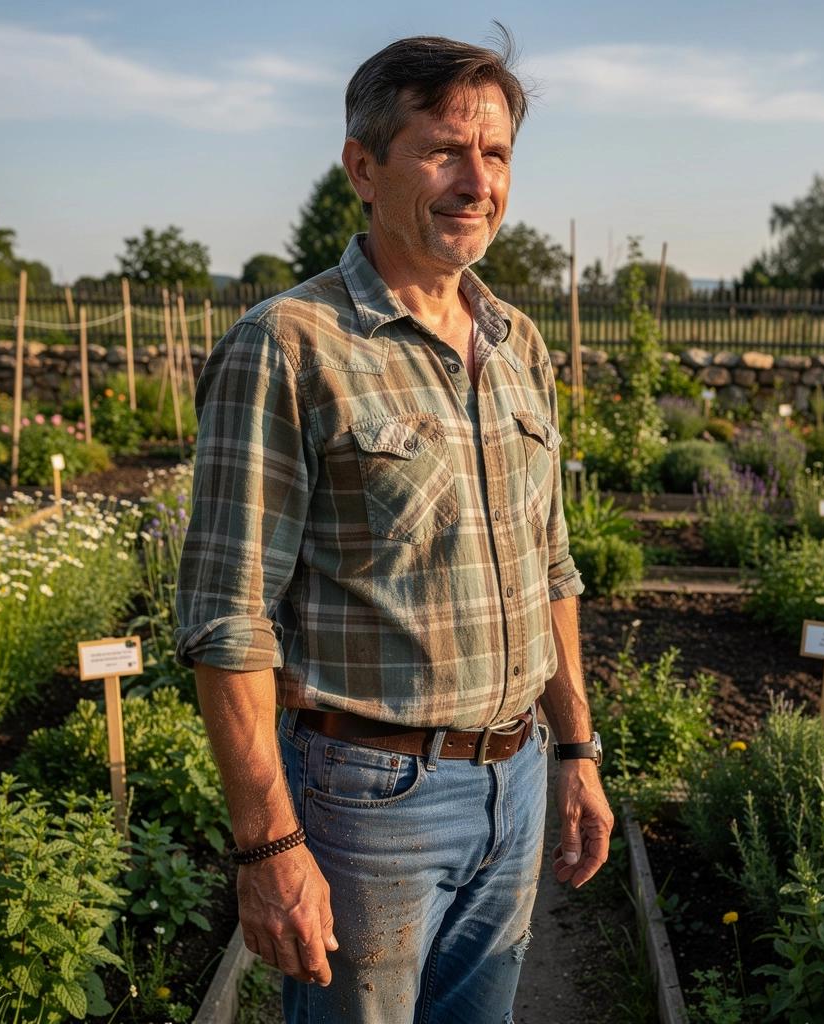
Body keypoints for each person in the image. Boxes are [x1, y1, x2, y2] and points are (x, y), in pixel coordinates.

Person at [175, 26, 614, 1024]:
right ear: (363, 169)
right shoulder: (291, 345)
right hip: (370, 799)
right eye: (443, 149)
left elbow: (549, 565)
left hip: (516, 783)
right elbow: (226, 616)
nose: (476, 181)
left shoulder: (515, 343)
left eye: (495, 153)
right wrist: (269, 847)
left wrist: (575, 749)